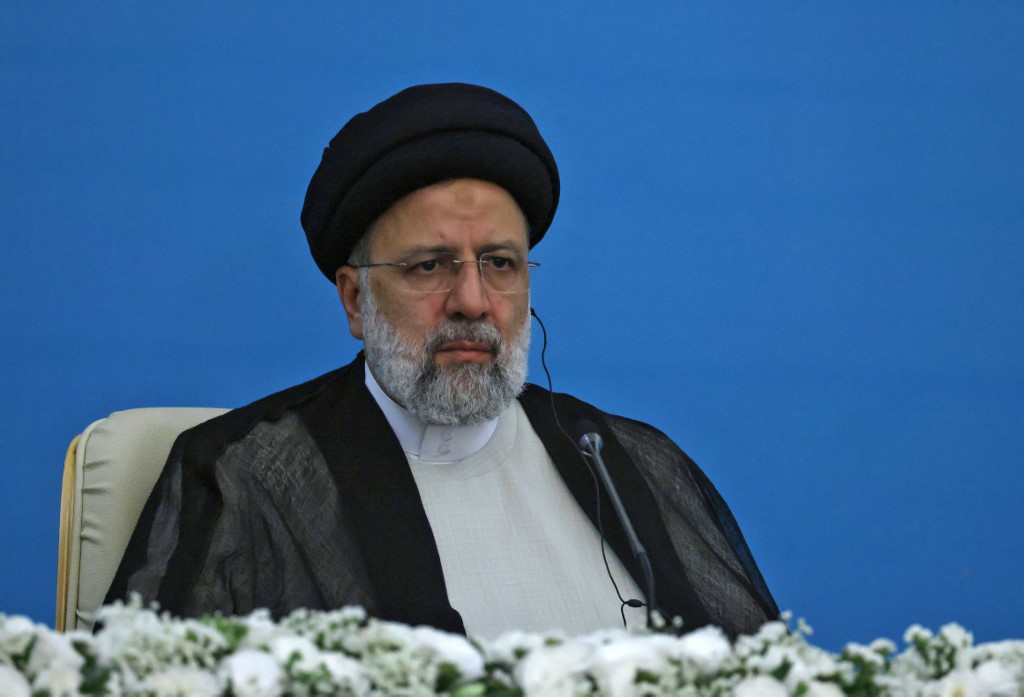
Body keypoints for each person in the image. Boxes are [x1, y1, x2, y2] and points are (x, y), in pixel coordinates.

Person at [106, 83, 777, 638]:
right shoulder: (245, 474)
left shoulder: (630, 461)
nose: (472, 301)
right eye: (429, 265)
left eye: (500, 263)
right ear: (355, 299)